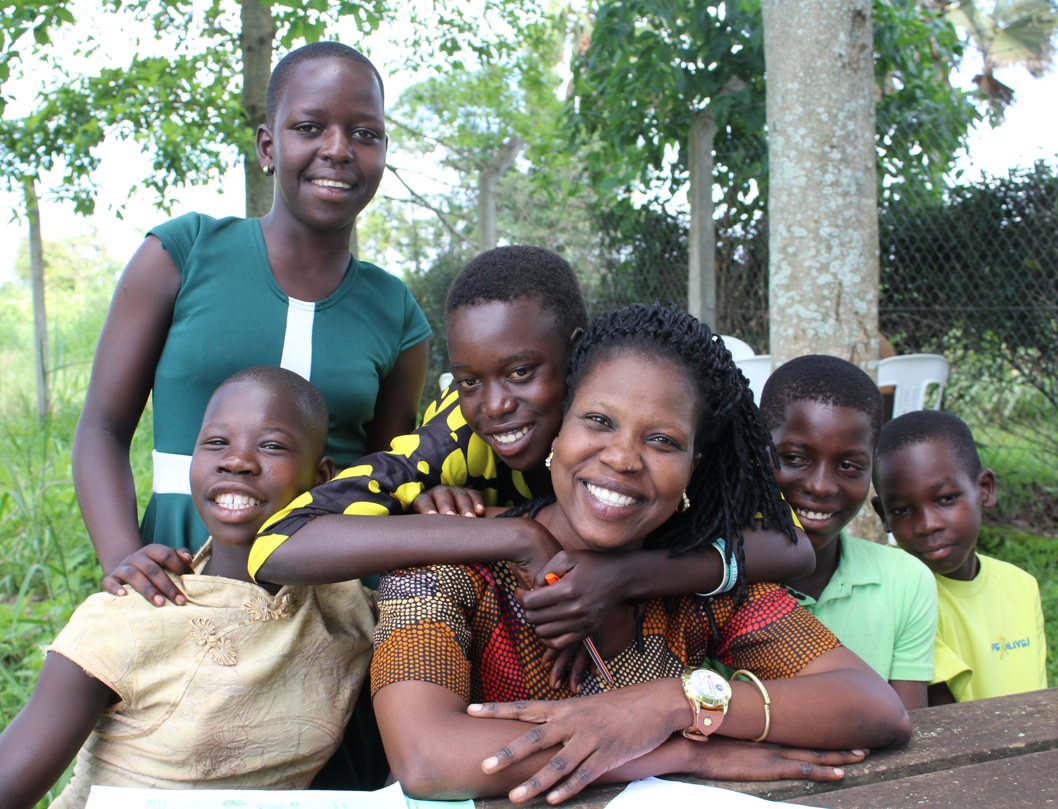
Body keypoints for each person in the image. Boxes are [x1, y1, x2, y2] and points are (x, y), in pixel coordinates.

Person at [368, 304, 911, 804]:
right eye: (599, 421)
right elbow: (427, 757)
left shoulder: (696, 582)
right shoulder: (448, 565)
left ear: (693, 469)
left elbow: (873, 706)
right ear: (559, 427)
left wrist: (670, 704)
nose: (624, 458)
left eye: (663, 441)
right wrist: (682, 751)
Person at [233, 248, 814, 691]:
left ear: (578, 354)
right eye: (468, 381)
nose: (494, 404)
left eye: (520, 372)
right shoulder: (458, 439)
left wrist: (621, 577)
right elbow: (278, 545)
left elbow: (791, 549)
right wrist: (514, 536)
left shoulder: (643, 427)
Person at [72, 40, 431, 575]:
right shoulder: (183, 253)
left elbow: (387, 479)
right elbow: (101, 430)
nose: (338, 149)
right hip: (177, 575)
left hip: (330, 602)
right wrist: (123, 563)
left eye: (365, 133)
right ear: (267, 147)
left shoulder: (395, 312)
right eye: (309, 127)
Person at [0, 368, 375, 808]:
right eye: (216, 443)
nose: (236, 461)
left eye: (271, 446)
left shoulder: (347, 609)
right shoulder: (134, 613)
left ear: (321, 476)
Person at [757, 355, 938, 711]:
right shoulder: (716, 577)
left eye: (848, 465)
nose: (822, 486)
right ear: (758, 452)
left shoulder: (904, 581)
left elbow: (911, 727)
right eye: (795, 457)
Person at [871, 409, 1047, 705]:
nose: (928, 524)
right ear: (883, 515)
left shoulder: (1021, 584)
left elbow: (1039, 705)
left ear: (985, 490)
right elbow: (947, 723)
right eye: (902, 510)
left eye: (946, 499)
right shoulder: (895, 590)